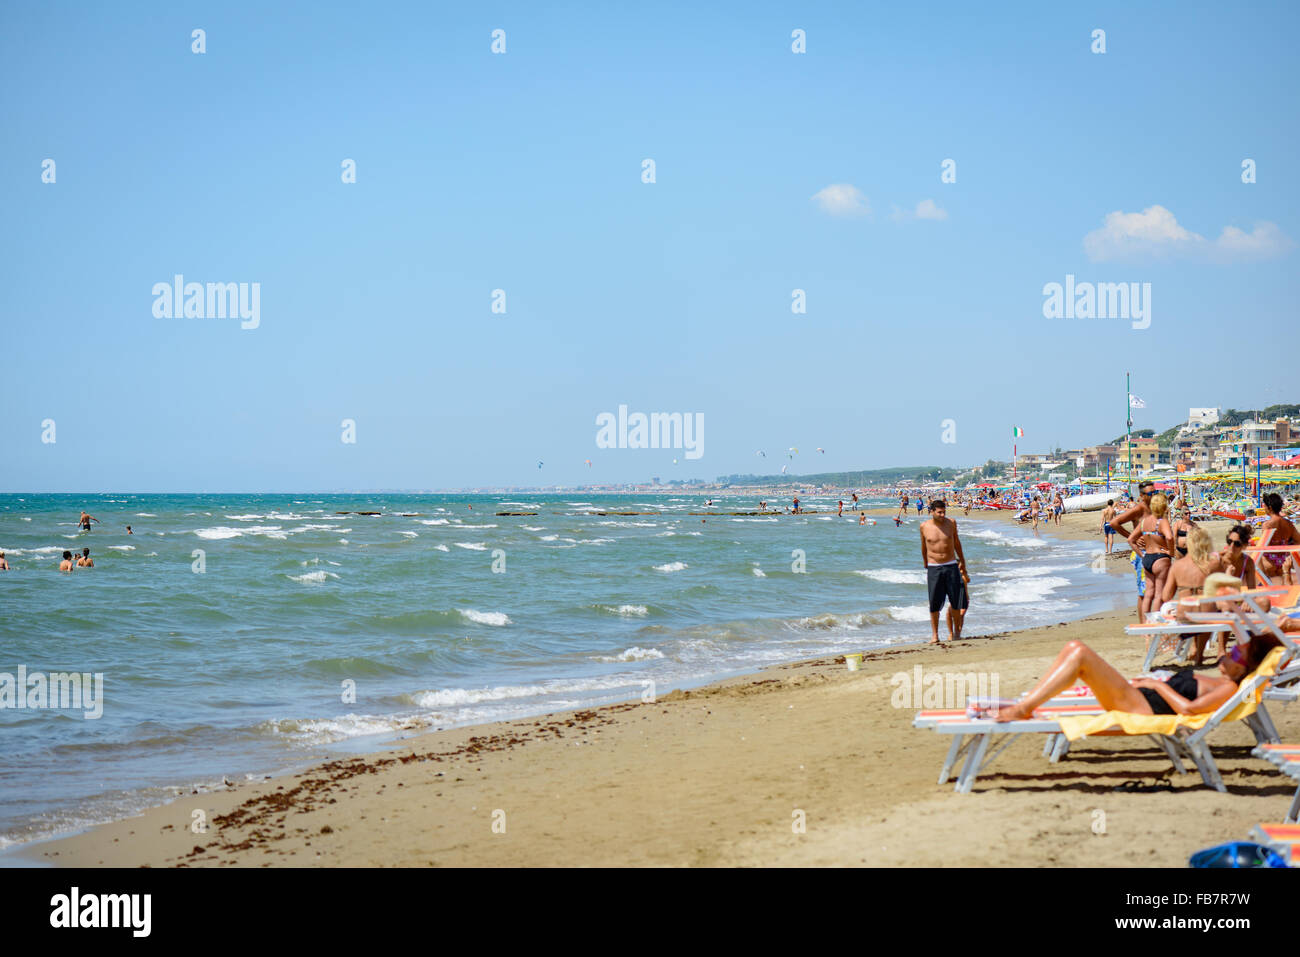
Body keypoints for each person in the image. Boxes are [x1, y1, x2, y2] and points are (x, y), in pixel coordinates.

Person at [994, 631, 1282, 722]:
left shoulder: (1231, 689)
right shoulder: (1227, 681)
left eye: (1234, 655)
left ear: (1245, 668)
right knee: (1073, 648)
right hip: (1140, 697)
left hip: (1140, 706)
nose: (1226, 654)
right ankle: (1027, 704)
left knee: (1079, 652)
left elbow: (1188, 709)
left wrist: (1157, 683)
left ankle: (1024, 707)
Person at [1161, 527, 1224, 665]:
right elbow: (1224, 589)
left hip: (1185, 615)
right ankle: (1209, 652)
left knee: (1195, 609)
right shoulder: (1213, 563)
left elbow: (1166, 596)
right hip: (1207, 614)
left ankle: (1195, 649)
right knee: (1216, 608)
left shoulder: (1177, 566)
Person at [920, 499, 969, 644]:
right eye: (939, 512)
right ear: (932, 512)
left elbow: (957, 543)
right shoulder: (924, 526)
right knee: (934, 603)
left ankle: (957, 633)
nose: (942, 515)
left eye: (944, 512)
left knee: (955, 601)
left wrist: (963, 564)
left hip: (951, 565)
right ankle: (935, 635)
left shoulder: (951, 523)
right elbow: (924, 547)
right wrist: (925, 563)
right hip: (934, 567)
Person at [1129, 492, 1174, 620]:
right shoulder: (1162, 521)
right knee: (1159, 594)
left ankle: (1146, 626)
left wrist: (1141, 555)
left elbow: (1131, 540)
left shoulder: (1144, 522)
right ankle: (1155, 625)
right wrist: (1171, 552)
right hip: (1160, 558)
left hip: (1147, 558)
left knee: (1148, 594)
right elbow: (1170, 537)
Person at [1259, 492, 1299, 584]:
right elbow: (1298, 540)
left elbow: (1264, 545)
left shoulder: (1267, 524)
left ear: (1270, 508)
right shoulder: (1288, 524)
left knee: (1270, 588)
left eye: (1264, 506)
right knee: (1283, 585)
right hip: (1284, 560)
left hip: (1269, 561)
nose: (1263, 508)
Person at [1216, 524, 1258, 591]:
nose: (1232, 546)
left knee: (1263, 601)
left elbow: (1252, 590)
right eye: (1229, 542)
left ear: (1245, 546)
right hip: (1215, 597)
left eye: (1237, 544)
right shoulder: (1217, 559)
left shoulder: (1247, 562)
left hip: (1234, 597)